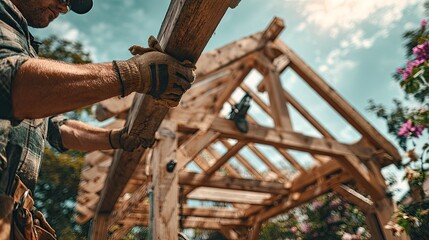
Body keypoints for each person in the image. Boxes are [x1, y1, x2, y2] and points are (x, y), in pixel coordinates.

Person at [0, 0, 195, 239]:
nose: (64, 7)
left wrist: (118, 138)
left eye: (70, 4)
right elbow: (11, 86)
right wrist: (134, 74)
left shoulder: (21, 44)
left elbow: (57, 129)